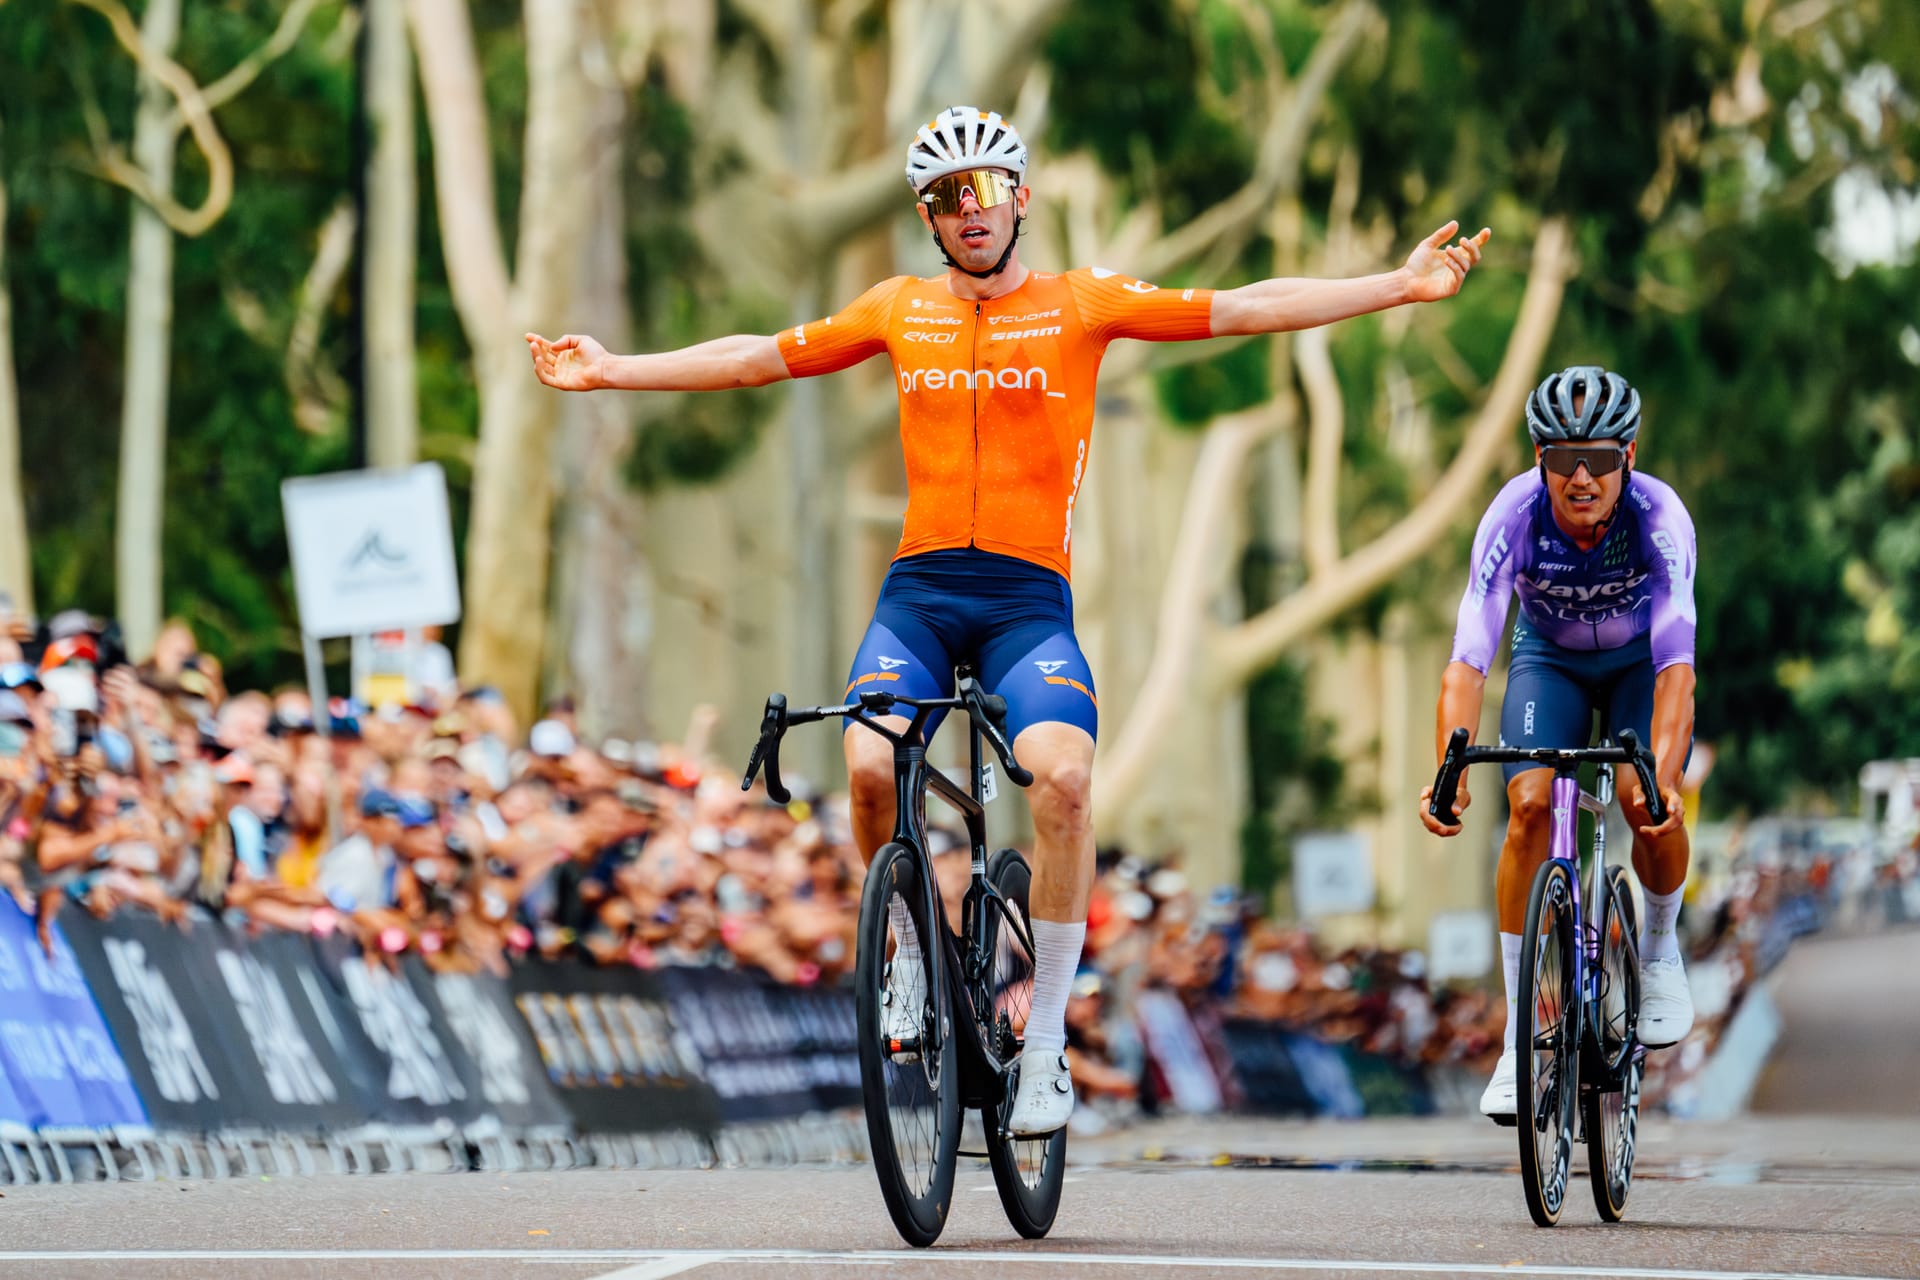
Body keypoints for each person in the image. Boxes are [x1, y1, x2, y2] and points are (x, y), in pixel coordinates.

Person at [529, 105, 1491, 1134]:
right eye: (948, 196)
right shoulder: (899, 308)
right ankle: (905, 950)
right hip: (921, 595)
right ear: (927, 217)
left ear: (1020, 197)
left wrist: (1397, 285)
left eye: (987, 188)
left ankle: (1042, 1050)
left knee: (1066, 783)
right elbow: (755, 357)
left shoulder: (1082, 303)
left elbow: (1247, 304)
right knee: (865, 763)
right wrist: (613, 371)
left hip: (1029, 603)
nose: (970, 209)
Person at [1417, 365, 1697, 1122]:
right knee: (1530, 805)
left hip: (1641, 665)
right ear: (1537, 461)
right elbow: (1470, 655)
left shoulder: (1660, 517)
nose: (1581, 477)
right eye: (1563, 459)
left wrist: (1666, 774)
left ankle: (1661, 949)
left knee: (1646, 800)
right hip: (1552, 664)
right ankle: (1517, 1040)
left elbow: (1676, 665)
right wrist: (1449, 766)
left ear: (1628, 459)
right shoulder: (1511, 514)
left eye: (1600, 460)